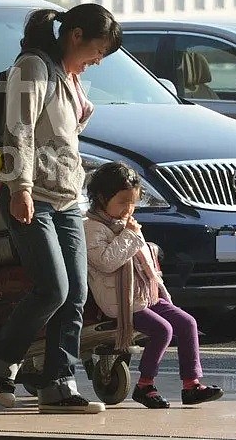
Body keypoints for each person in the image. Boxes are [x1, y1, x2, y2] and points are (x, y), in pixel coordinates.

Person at [0, 3, 121, 414]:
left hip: (67, 197)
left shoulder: (67, 75)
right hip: (32, 195)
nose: (98, 60)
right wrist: (19, 186)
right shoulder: (32, 67)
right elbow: (18, 129)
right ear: (74, 35)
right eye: (97, 50)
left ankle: (58, 384)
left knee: (75, 292)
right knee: (52, 289)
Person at [84, 162, 223, 409]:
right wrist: (130, 236)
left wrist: (158, 287)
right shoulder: (92, 227)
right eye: (122, 202)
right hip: (120, 300)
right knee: (163, 330)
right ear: (102, 198)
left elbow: (143, 260)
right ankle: (145, 385)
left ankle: (191, 384)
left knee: (187, 323)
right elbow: (106, 262)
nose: (128, 209)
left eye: (133, 203)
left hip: (143, 295)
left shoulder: (123, 225)